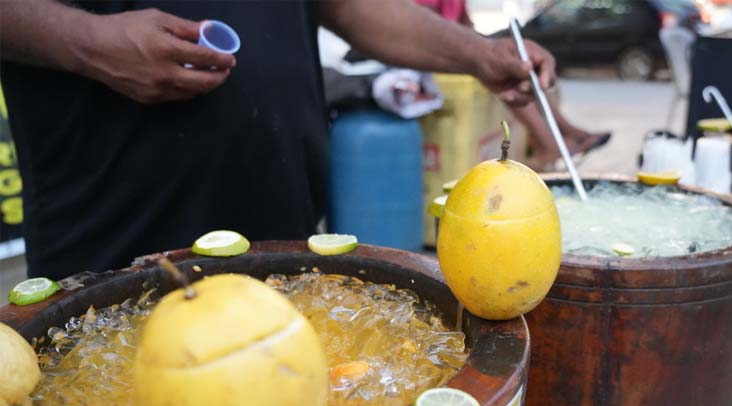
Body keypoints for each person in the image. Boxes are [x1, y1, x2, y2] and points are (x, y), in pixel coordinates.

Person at [0, 0, 556, 279]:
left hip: (282, 231)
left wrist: (478, 53)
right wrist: (88, 40)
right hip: (108, 234)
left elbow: (346, 4)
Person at [415, 0, 611, 169]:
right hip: (434, 60)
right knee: (507, 77)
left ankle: (570, 133)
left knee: (525, 73)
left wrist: (483, 47)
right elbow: (423, 28)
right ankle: (548, 144)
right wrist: (478, 52)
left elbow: (467, 26)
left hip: (461, 53)